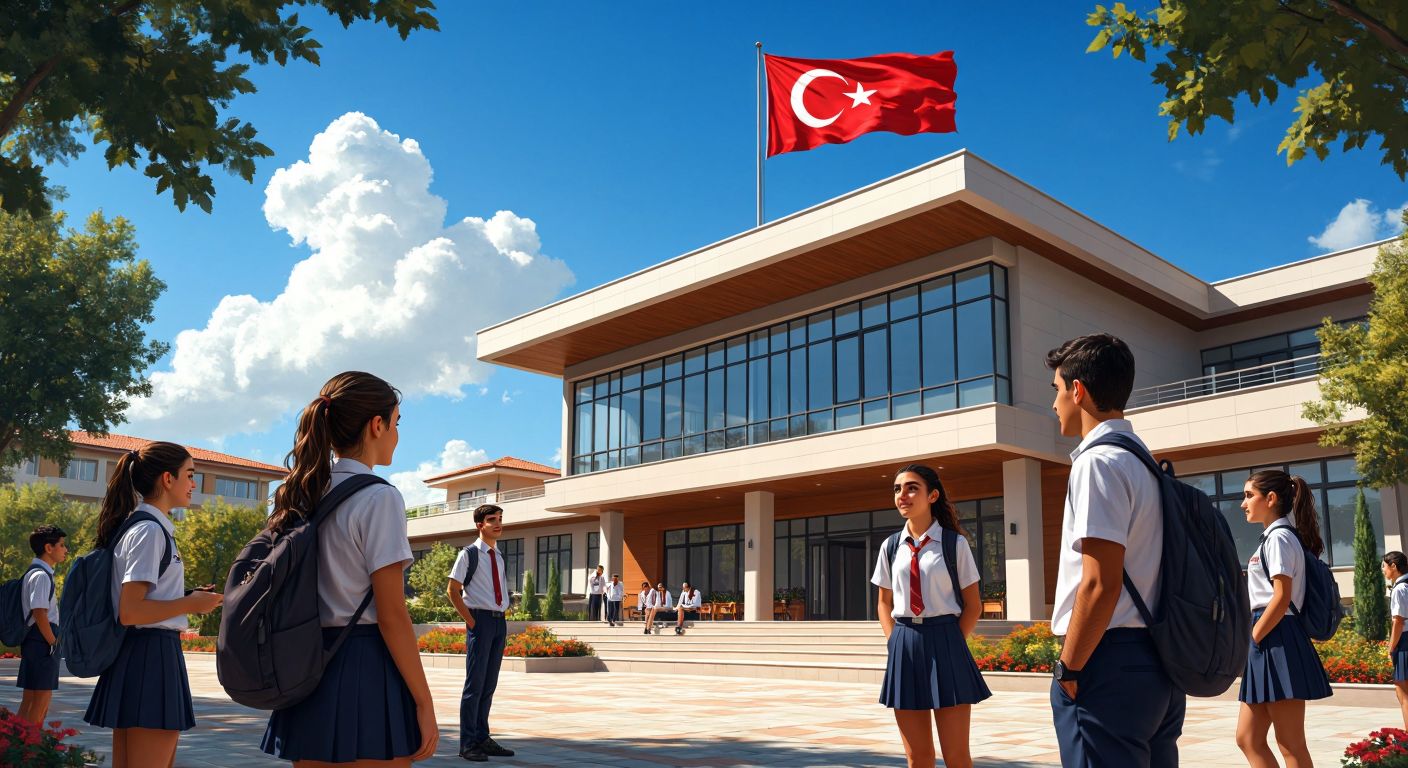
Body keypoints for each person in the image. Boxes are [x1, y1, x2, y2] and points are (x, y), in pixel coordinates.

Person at [260, 372, 438, 766]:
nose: (396, 434)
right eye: (396, 423)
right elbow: (392, 615)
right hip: (365, 664)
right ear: (377, 425)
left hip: (304, 666)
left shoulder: (300, 493)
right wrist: (424, 703)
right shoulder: (379, 498)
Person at [1046, 333, 1184, 767]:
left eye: (1056, 390)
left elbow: (1099, 583)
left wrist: (1068, 670)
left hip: (1107, 663)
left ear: (1077, 390)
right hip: (1159, 660)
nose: (1054, 405)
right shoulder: (1145, 461)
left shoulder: (1097, 462)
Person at [83, 442, 224, 768]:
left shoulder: (144, 527)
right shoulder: (149, 531)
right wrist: (190, 604)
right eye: (190, 475)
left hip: (141, 656)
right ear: (167, 479)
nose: (193, 484)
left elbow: (141, 601)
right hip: (150, 656)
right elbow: (131, 611)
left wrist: (189, 597)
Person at [873, 464, 989, 768]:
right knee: (917, 758)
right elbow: (884, 603)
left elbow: (973, 605)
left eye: (912, 487)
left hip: (946, 640)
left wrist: (950, 642)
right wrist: (893, 641)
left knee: (957, 757)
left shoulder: (954, 544)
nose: (902, 495)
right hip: (904, 642)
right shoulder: (890, 547)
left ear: (932, 495)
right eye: (897, 489)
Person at [1235, 470, 1333, 767]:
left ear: (1271, 498)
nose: (1243, 503)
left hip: (1277, 636)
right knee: (1248, 738)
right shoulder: (1274, 538)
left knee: (1290, 743)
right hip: (1270, 635)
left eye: (1249, 495)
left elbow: (1281, 598)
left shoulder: (1279, 538)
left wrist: (1253, 637)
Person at [448, 504, 515, 762]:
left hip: (499, 623)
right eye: (491, 520)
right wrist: (472, 622)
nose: (497, 523)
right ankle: (467, 743)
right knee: (474, 685)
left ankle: (482, 737)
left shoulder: (498, 556)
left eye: (499, 519)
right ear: (479, 525)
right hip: (481, 621)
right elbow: (453, 591)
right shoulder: (469, 554)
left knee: (489, 684)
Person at [16, 524, 67, 726]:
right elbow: (39, 612)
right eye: (62, 545)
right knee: (40, 702)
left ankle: (17, 748)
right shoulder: (41, 576)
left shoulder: (34, 572)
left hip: (35, 640)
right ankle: (31, 750)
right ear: (48, 548)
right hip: (42, 640)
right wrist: (53, 642)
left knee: (29, 701)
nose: (65, 550)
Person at [1386, 551, 1408, 728]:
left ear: (1394, 566)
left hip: (1405, 643)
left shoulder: (1400, 588)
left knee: (1404, 694)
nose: (1383, 571)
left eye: (1384, 566)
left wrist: (1391, 647)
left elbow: (1398, 621)